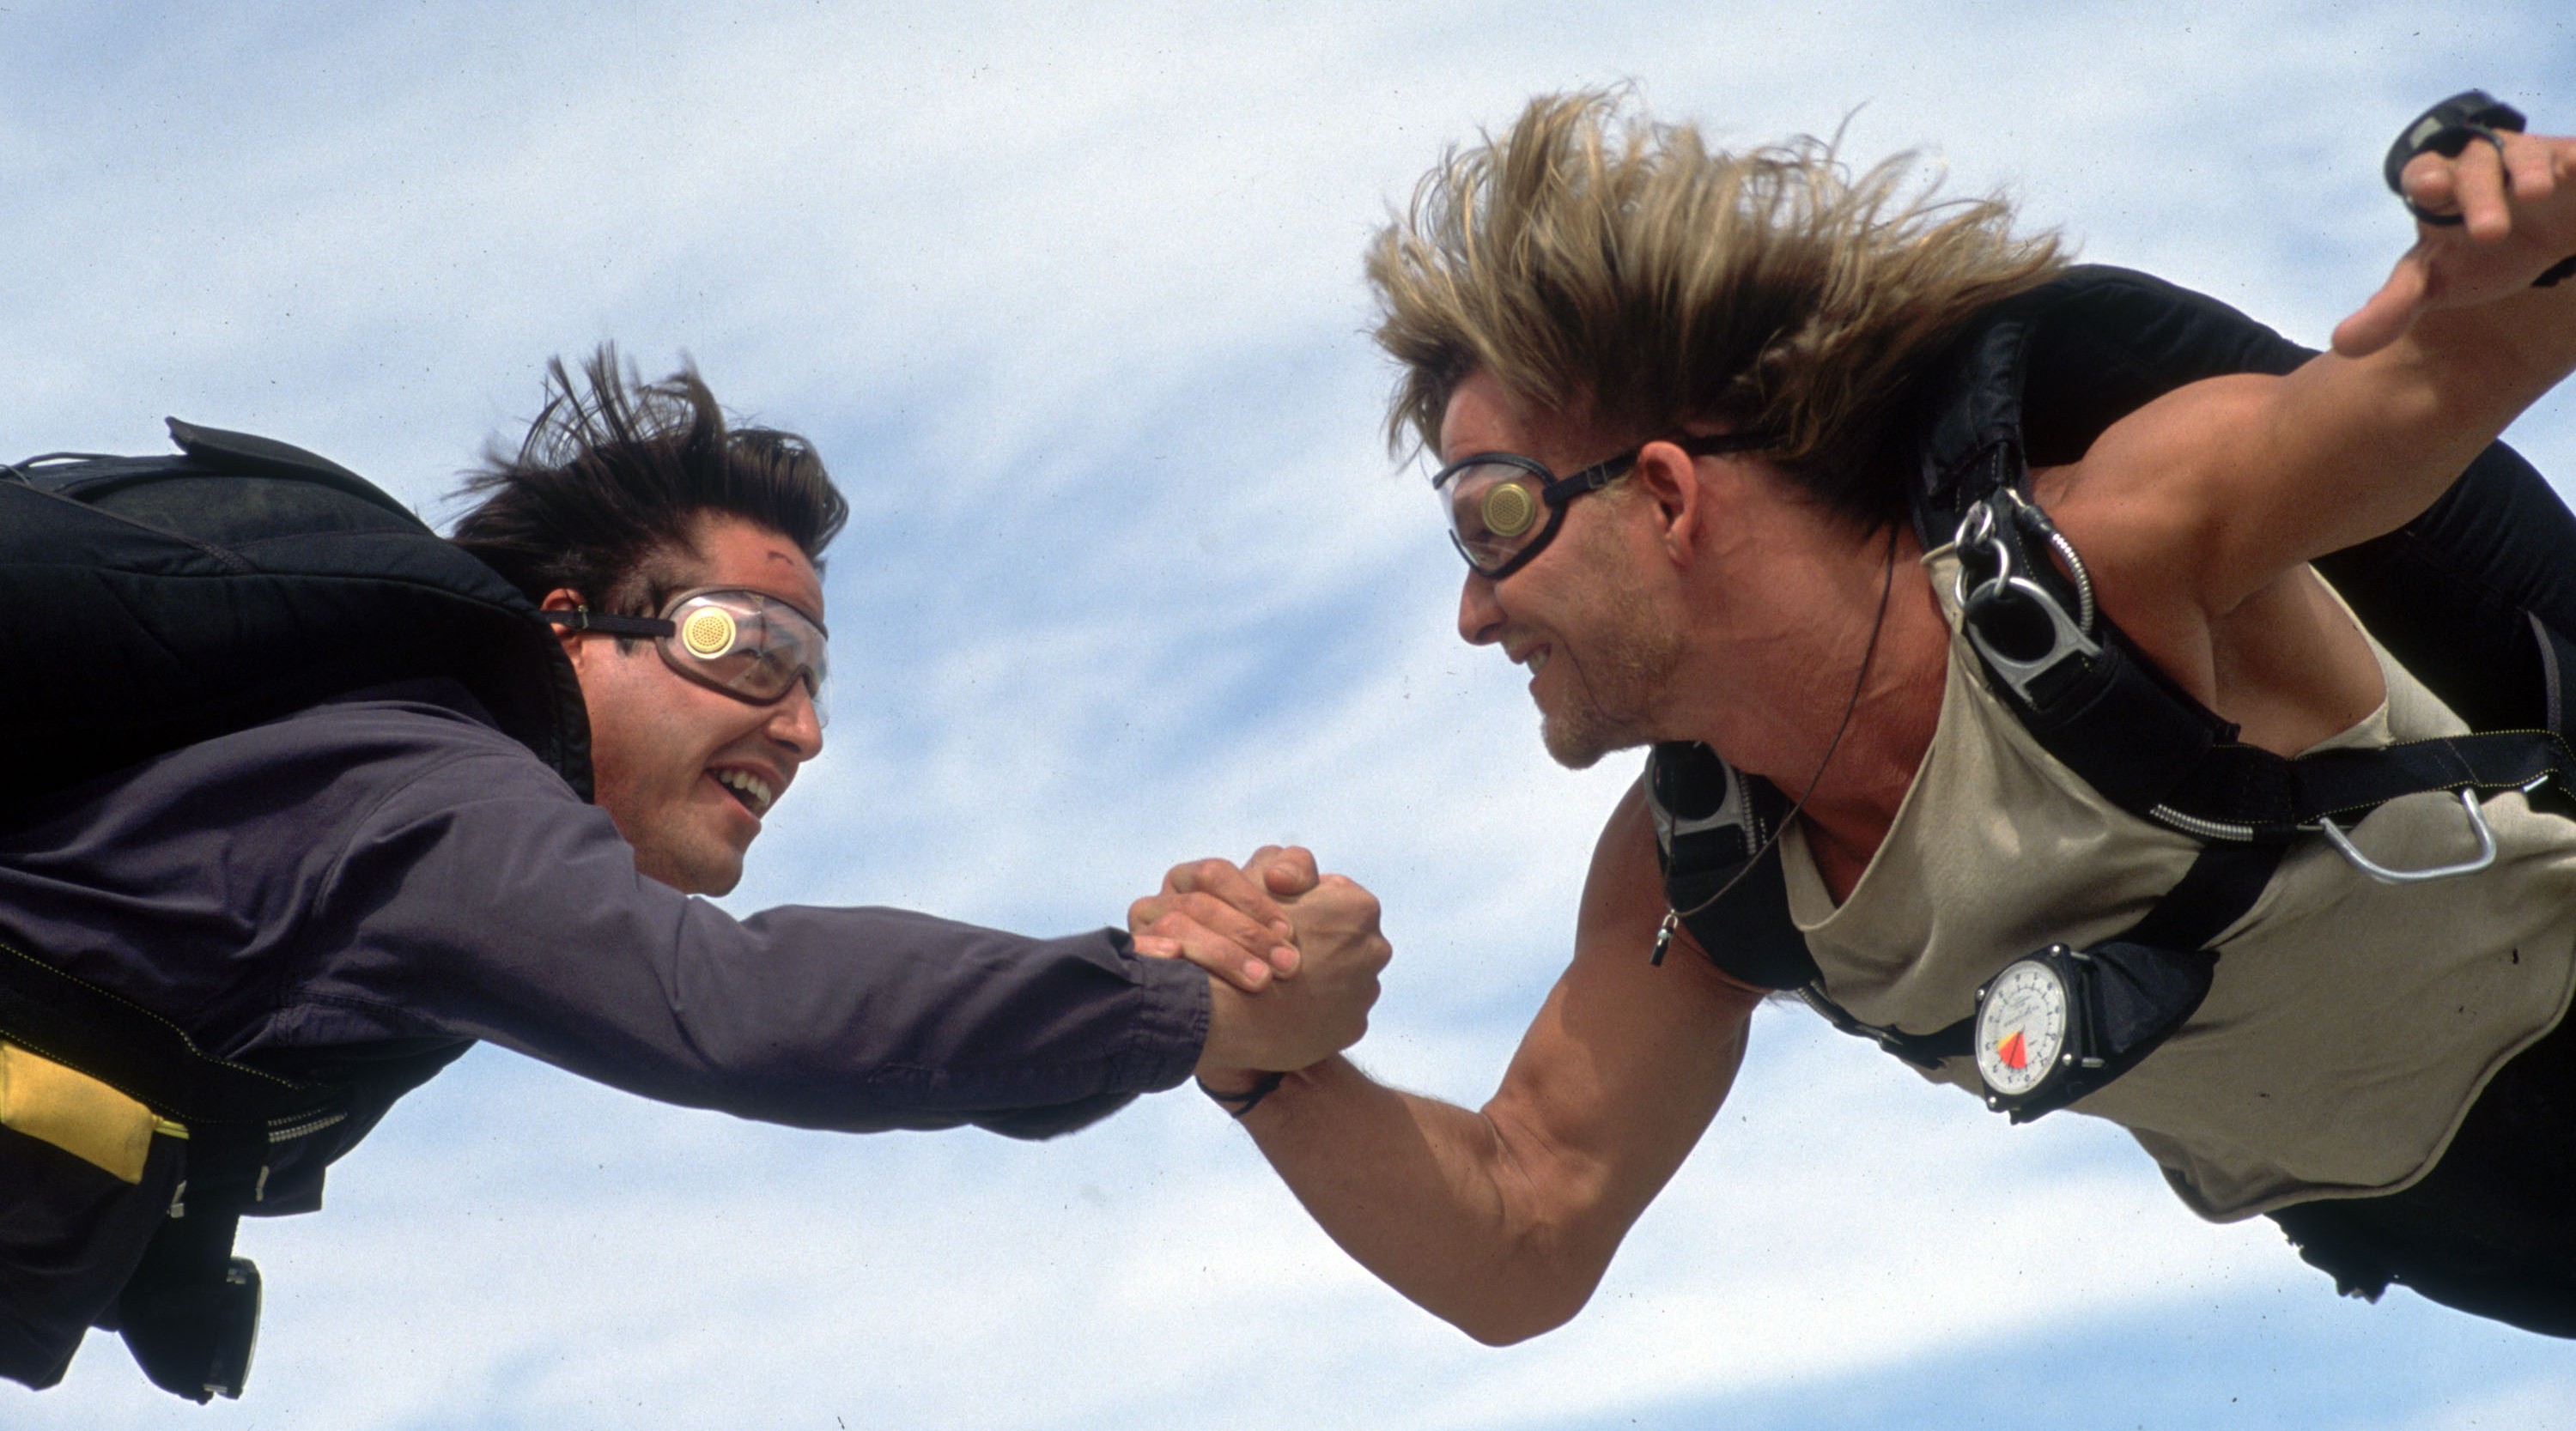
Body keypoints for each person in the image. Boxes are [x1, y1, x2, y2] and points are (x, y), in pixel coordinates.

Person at [1138, 90, 2576, 1338]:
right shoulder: (1705, 876)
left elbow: (2432, 389)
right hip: (2470, 1238)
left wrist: (2529, 255)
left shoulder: (2099, 564)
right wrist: (1266, 1064)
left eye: (1491, 519)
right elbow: (1525, 1232)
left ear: (1666, 493)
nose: (1473, 614)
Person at [0, 350, 1388, 1397]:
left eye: (815, 673)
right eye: (748, 646)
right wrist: (1188, 1003)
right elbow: (745, 1007)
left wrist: (1136, 1021)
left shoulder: (384, 789)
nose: (801, 723)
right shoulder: (422, 798)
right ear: (571, 632)